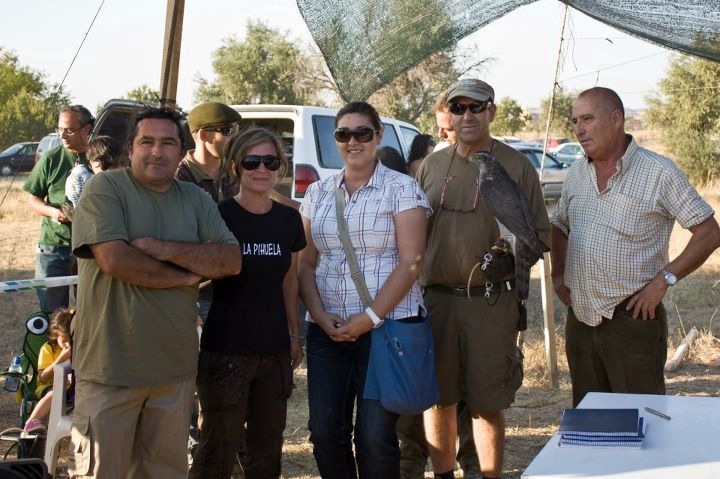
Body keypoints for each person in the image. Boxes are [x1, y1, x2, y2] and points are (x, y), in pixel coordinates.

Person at [70, 106, 242, 478]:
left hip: (173, 373)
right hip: (110, 371)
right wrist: (184, 276)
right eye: (146, 142)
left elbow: (230, 260)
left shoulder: (195, 199)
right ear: (130, 148)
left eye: (167, 143)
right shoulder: (105, 189)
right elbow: (115, 259)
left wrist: (164, 249)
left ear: (182, 152)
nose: (156, 151)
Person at [551, 87, 720, 407]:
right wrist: (557, 274)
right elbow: (559, 224)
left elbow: (709, 233)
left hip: (632, 318)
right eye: (575, 121)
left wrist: (663, 281)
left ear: (617, 119)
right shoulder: (576, 172)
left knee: (641, 419)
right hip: (581, 319)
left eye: (587, 119)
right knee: (593, 421)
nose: (578, 129)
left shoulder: (658, 171)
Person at [416, 78, 550, 479]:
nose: (467, 115)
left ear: (491, 111)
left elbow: (538, 236)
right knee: (437, 400)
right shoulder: (432, 165)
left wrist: (507, 261)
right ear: (448, 116)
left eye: (476, 107)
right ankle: (441, 474)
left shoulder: (517, 165)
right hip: (437, 298)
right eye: (458, 108)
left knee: (485, 402)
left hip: (491, 301)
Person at [299, 101, 431, 479]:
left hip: (384, 331)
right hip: (328, 330)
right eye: (344, 134)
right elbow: (306, 263)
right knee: (325, 433)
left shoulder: (402, 189)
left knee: (373, 437)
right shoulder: (318, 193)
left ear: (378, 136)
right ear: (335, 139)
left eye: (362, 133)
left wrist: (369, 318)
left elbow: (411, 261)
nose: (353, 141)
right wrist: (320, 317)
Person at [189, 128, 306, 479]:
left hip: (273, 353)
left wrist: (294, 334)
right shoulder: (219, 215)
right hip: (226, 352)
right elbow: (199, 273)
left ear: (279, 167)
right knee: (217, 451)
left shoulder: (288, 219)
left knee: (267, 451)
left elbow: (289, 278)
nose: (262, 169)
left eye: (270, 162)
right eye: (252, 161)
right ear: (236, 166)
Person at [24, 105, 94, 314]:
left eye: (69, 130)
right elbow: (33, 199)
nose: (62, 135)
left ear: (86, 129)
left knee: (90, 313)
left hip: (90, 247)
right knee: (53, 316)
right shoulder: (51, 158)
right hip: (53, 247)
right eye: (59, 129)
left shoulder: (98, 158)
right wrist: (52, 212)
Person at [21, 307, 74, 435]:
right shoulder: (48, 349)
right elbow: (43, 377)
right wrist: (61, 358)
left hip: (73, 387)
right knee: (56, 392)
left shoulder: (79, 347)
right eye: (64, 340)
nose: (69, 345)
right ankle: (32, 421)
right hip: (49, 386)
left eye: (71, 340)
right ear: (55, 335)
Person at [63, 135, 123, 219]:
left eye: (114, 166)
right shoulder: (79, 178)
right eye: (103, 167)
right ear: (91, 162)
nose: (108, 172)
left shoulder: (126, 181)